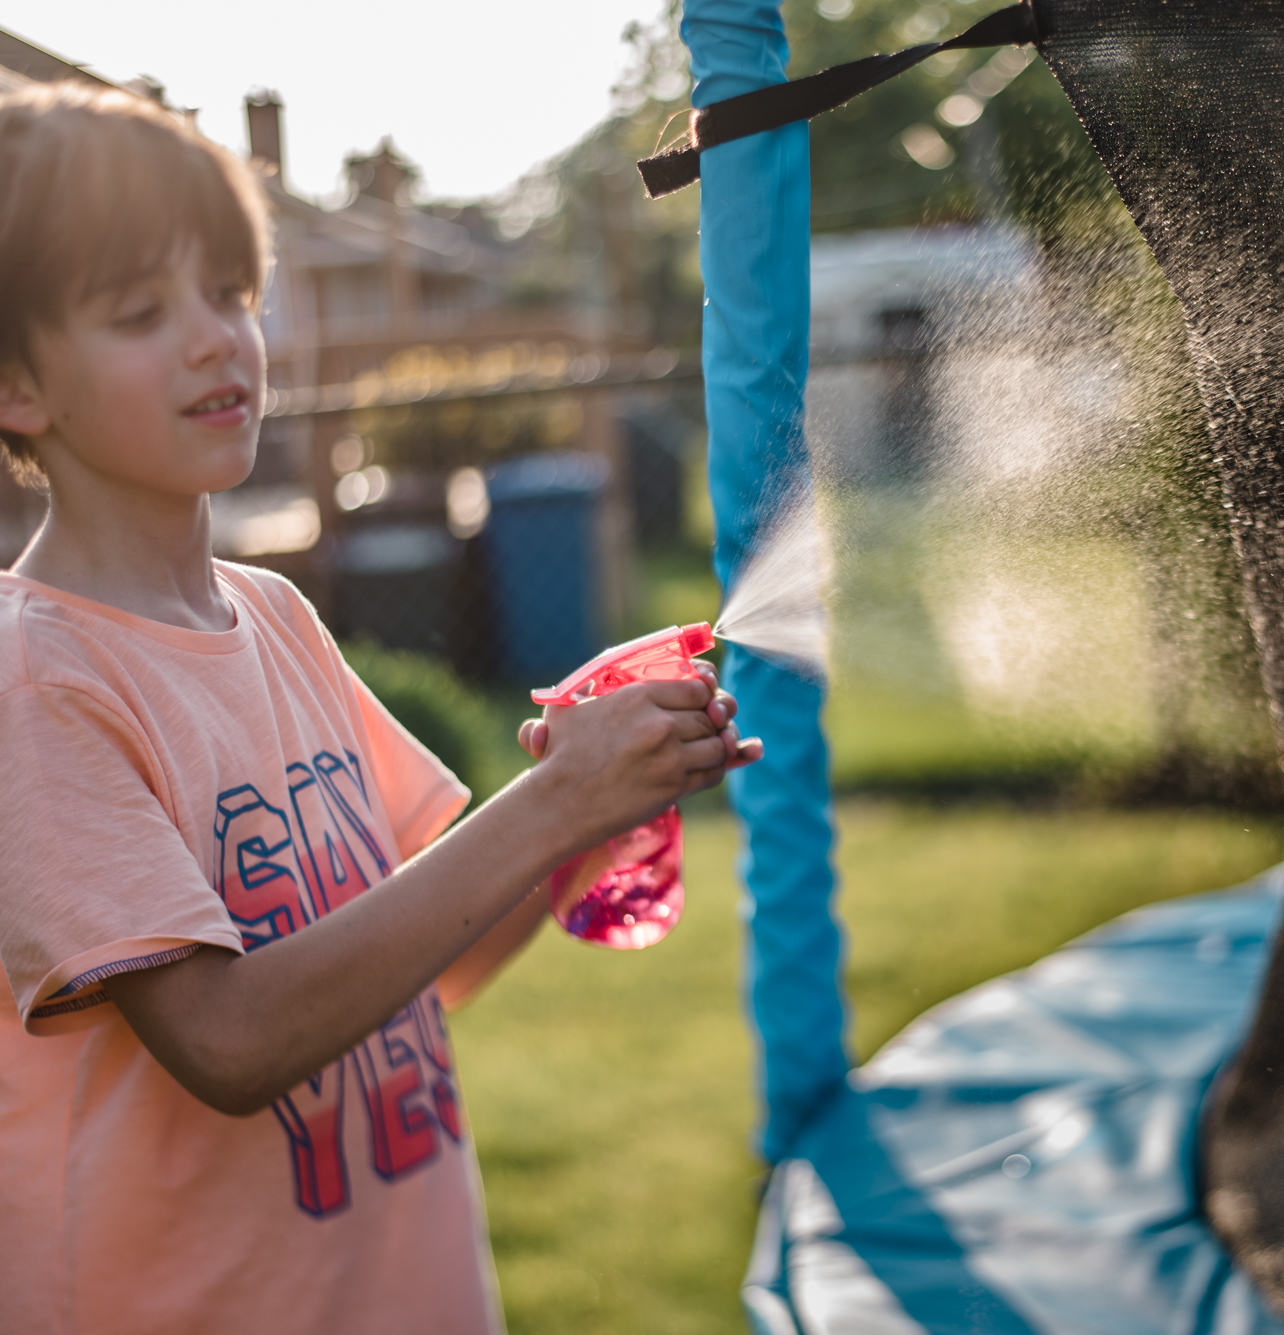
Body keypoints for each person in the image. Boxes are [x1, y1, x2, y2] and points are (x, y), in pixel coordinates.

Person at [0, 84, 760, 1333]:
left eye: (231, 294)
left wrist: (597, 790)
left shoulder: (277, 618)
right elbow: (230, 1042)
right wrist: (553, 798)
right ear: (18, 385)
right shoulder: (37, 681)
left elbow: (434, 964)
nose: (214, 340)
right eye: (142, 312)